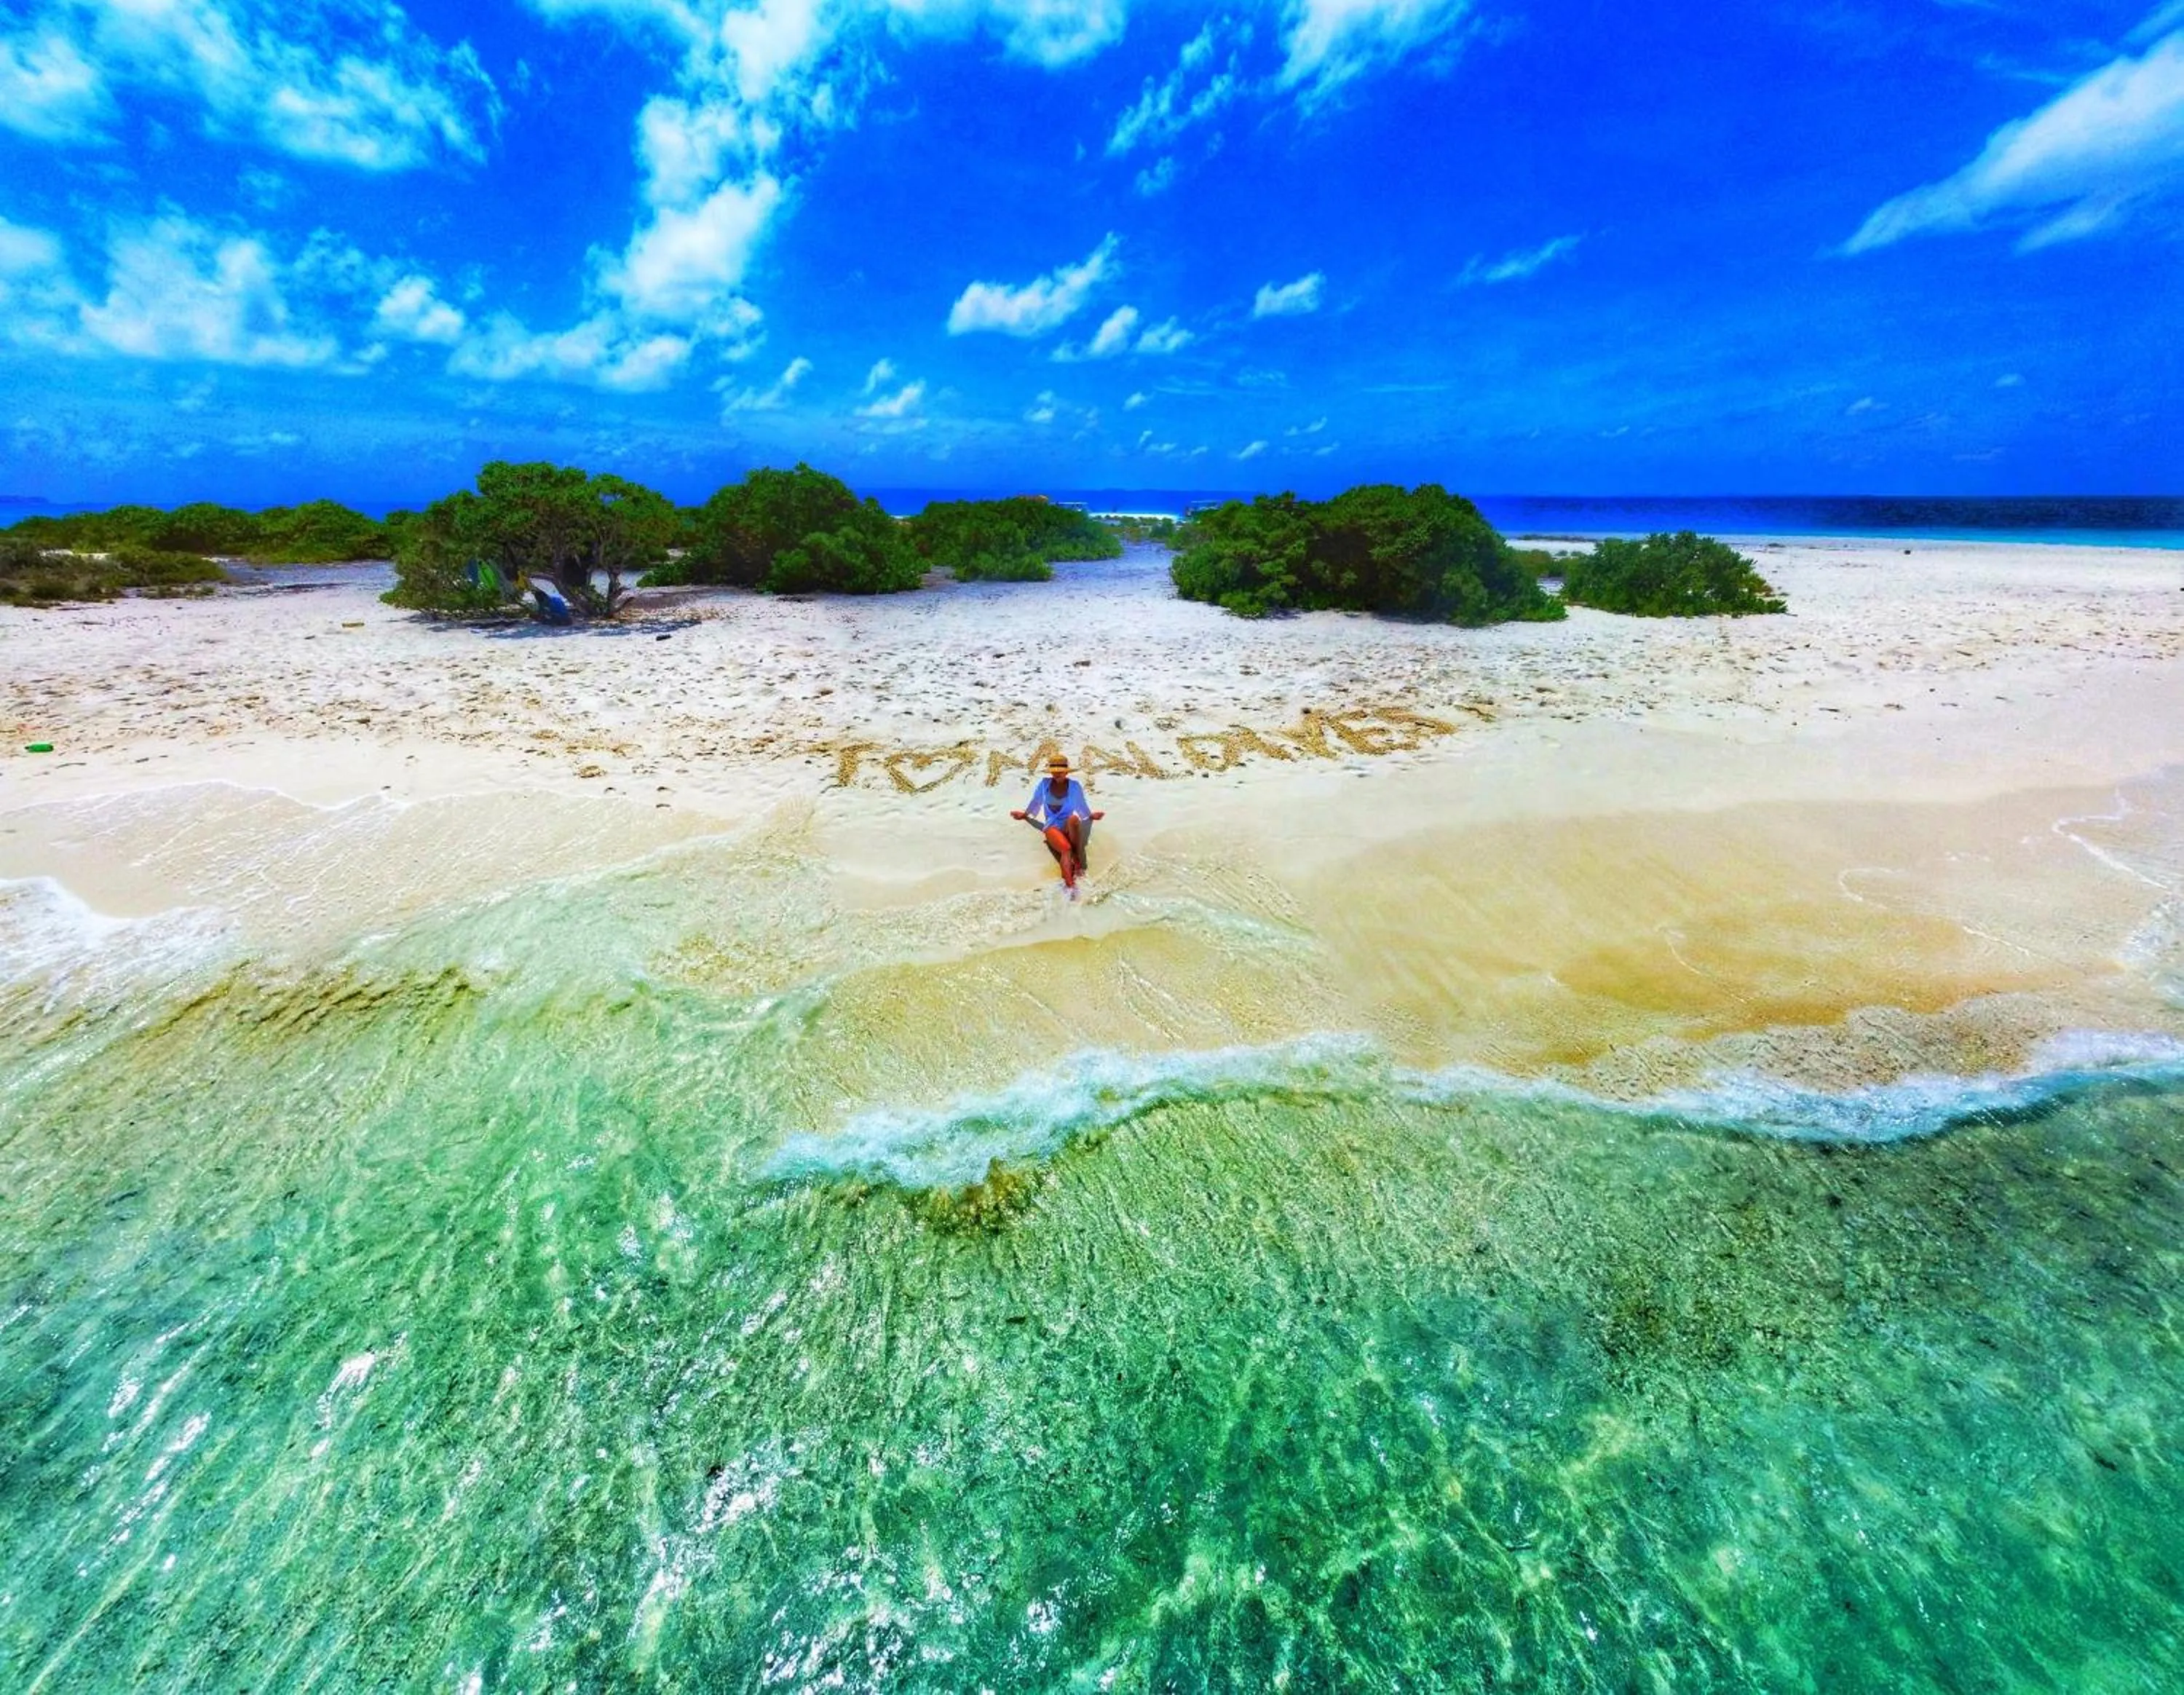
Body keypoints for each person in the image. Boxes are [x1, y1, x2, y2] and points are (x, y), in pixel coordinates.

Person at [1012, 754, 1104, 891]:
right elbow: (1036, 801)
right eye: (1054, 772)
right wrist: (1025, 815)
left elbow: (1081, 804)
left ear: (1066, 772)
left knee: (1074, 819)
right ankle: (1070, 885)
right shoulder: (1045, 784)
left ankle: (1078, 858)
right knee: (1066, 849)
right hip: (1052, 826)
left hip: (1068, 825)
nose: (1057, 775)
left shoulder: (1074, 786)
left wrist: (1090, 816)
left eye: (1060, 772)